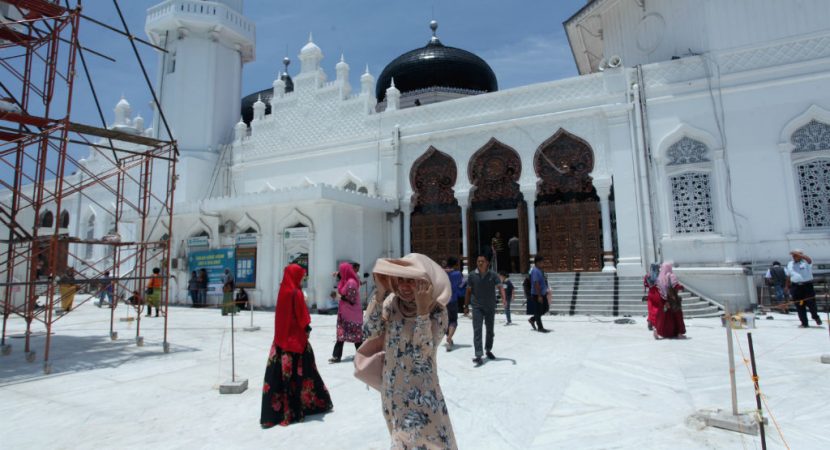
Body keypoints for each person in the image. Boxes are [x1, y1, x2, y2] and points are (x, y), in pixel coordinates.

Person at [362, 253, 456, 449]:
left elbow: (422, 355)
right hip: (392, 391)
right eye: (400, 280)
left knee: (427, 442)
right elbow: (370, 332)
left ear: (425, 283)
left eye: (412, 281)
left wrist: (422, 312)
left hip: (422, 392)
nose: (404, 287)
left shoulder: (437, 311)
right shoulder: (391, 303)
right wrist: (379, 293)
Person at [261, 264, 333, 428]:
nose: (302, 279)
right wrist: (307, 327)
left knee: (280, 377)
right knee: (307, 373)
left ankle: (278, 412)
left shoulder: (283, 290)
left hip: (281, 342)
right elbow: (303, 318)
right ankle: (308, 405)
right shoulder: (296, 292)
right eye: (301, 276)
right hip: (296, 342)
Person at [465, 254, 507, 366]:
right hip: (477, 306)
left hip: (490, 306)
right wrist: (465, 306)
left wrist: (504, 299)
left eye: (482, 261)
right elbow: (468, 291)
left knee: (490, 330)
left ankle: (488, 350)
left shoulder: (493, 275)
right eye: (478, 261)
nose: (480, 263)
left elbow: (500, 287)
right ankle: (478, 355)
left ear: (487, 263)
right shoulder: (472, 275)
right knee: (477, 330)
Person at [329, 262, 363, 363]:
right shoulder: (345, 281)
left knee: (357, 338)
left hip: (352, 315)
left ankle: (362, 356)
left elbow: (351, 300)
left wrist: (338, 296)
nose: (340, 272)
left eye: (341, 270)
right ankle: (336, 356)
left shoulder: (351, 282)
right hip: (344, 313)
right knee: (341, 335)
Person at [786, 249, 822, 328]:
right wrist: (787, 286)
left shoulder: (806, 262)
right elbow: (788, 275)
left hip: (807, 286)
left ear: (801, 255)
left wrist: (799, 254)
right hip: (795, 287)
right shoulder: (790, 264)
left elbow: (809, 260)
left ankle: (815, 317)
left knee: (811, 304)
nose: (794, 257)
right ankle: (804, 322)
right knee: (799, 305)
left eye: (796, 255)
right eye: (793, 255)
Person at [653, 262, 686, 339]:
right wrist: (681, 287)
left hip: (663, 300)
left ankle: (658, 331)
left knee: (662, 316)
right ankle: (679, 332)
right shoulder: (671, 275)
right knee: (678, 316)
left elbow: (658, 289)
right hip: (672, 300)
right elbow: (676, 286)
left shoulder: (660, 278)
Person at [444, 257, 465, 351]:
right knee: (453, 320)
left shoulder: (442, 273)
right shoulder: (458, 274)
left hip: (442, 300)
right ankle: (449, 338)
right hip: (453, 299)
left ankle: (448, 336)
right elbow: (461, 284)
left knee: (444, 320)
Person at [528, 256, 551, 332]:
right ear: (537, 262)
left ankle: (532, 319)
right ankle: (540, 327)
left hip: (542, 293)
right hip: (537, 294)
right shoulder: (535, 271)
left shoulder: (540, 270)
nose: (543, 264)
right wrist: (539, 296)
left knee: (545, 308)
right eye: (542, 262)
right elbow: (536, 283)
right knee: (538, 311)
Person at [643, 263, 661, 330]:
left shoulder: (647, 276)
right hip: (658, 293)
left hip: (651, 294)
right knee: (657, 309)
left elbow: (646, 285)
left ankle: (650, 323)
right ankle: (656, 323)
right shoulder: (660, 275)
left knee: (651, 309)